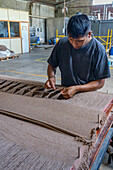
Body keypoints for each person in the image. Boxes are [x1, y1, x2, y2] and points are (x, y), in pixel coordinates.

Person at [45, 14, 110, 99]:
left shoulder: (98, 49)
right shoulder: (62, 44)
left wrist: (76, 88)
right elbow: (52, 65)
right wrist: (51, 77)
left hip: (87, 93)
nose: (74, 45)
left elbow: (99, 83)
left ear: (89, 34)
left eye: (79, 41)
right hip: (65, 90)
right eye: (71, 40)